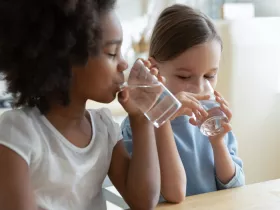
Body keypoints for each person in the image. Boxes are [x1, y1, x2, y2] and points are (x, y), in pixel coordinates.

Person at [0, 0, 168, 209]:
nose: (124, 64)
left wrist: (141, 118)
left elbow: (144, 201)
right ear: (66, 59)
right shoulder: (19, 133)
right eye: (112, 53)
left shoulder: (104, 129)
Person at [122, 4, 245, 199]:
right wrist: (163, 113)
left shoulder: (212, 116)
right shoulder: (138, 123)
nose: (200, 88)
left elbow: (235, 188)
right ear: (154, 69)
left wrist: (218, 142)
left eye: (209, 75)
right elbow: (168, 195)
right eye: (184, 77)